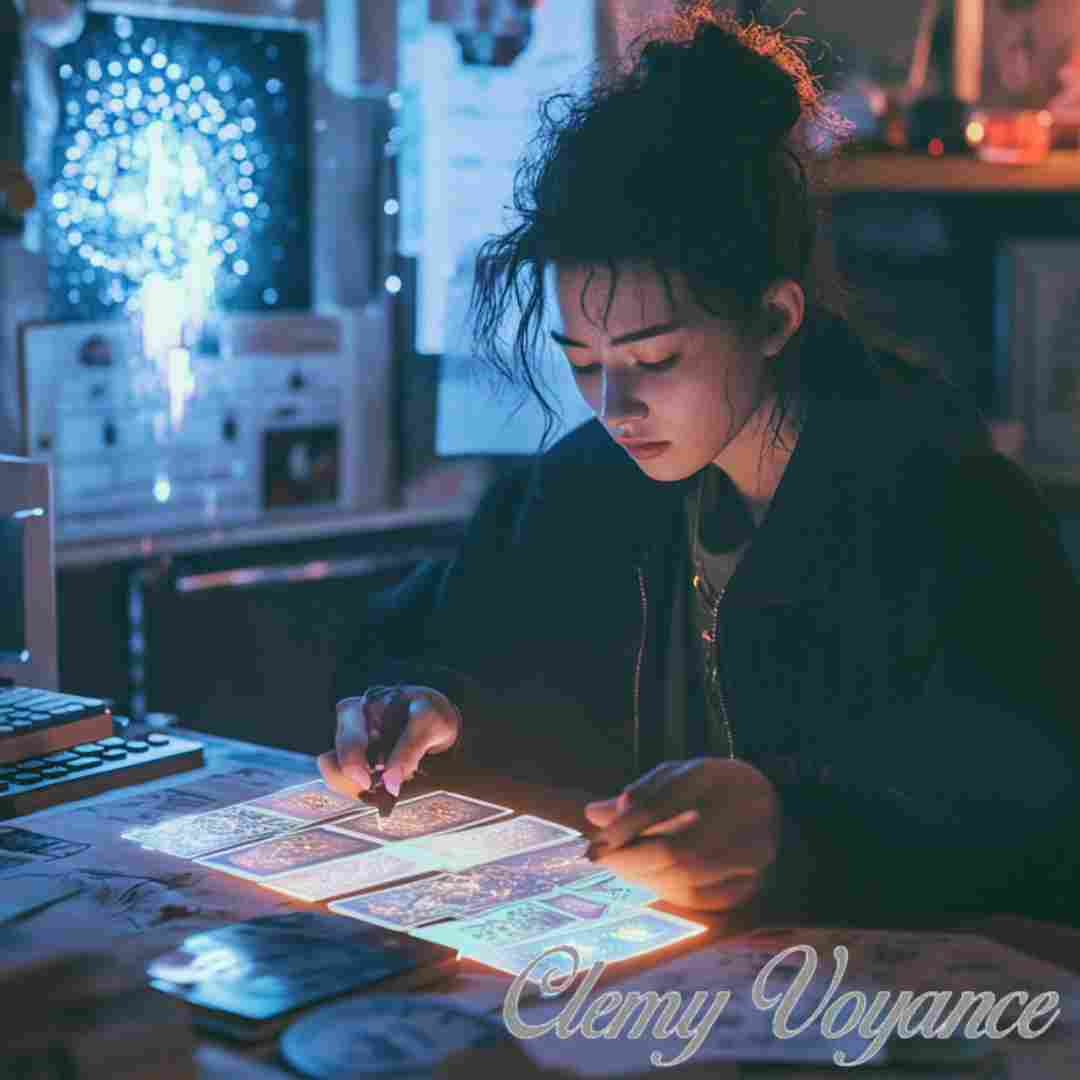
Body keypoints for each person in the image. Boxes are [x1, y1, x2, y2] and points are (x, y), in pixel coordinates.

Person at [320, 2, 1080, 927]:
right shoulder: (587, 490)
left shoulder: (945, 510)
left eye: (654, 359)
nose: (615, 408)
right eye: (584, 360)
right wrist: (427, 704)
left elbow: (1030, 827)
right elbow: (440, 632)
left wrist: (795, 839)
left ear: (773, 319)